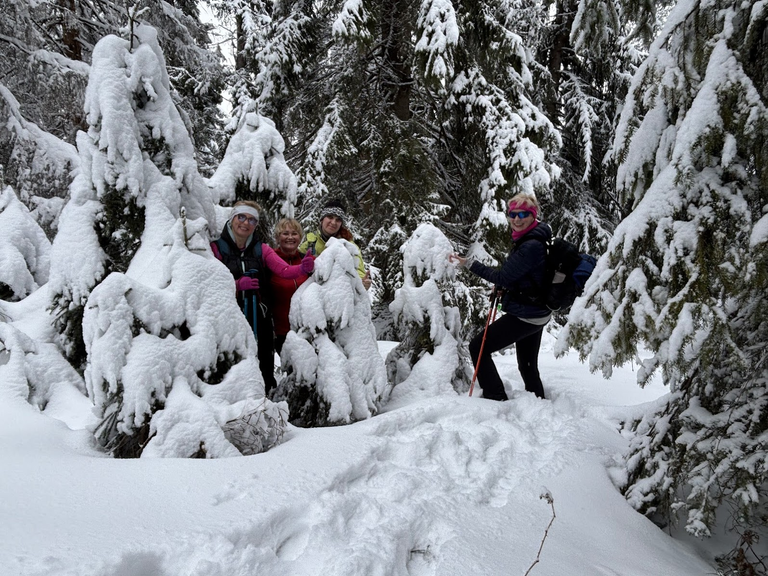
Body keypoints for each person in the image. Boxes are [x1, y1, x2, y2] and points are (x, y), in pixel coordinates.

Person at [449, 194, 551, 400]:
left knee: (478, 347)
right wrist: (511, 290)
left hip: (527, 314)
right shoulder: (536, 237)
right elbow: (530, 277)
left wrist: (468, 263)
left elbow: (502, 277)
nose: (517, 219)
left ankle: (495, 396)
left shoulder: (531, 245)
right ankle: (538, 401)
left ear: (533, 216)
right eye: (513, 214)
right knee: (527, 365)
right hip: (538, 311)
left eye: (523, 214)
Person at [211, 201, 314, 394]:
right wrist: (236, 285)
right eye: (241, 217)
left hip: (259, 315)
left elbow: (284, 270)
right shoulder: (217, 249)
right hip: (228, 315)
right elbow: (208, 282)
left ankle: (265, 398)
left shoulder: (261, 249)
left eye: (251, 219)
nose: (245, 223)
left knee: (264, 361)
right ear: (232, 219)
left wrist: (302, 268)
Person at [299, 198, 372, 290]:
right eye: (330, 217)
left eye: (338, 220)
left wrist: (362, 283)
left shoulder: (349, 246)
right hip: (314, 297)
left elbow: (358, 272)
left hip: (338, 296)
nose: (333, 222)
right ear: (322, 219)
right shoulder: (309, 245)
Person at [270, 218, 311, 354]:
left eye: (294, 233)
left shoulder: (306, 260)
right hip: (279, 332)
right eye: (285, 233)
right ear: (277, 237)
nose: (290, 237)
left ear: (300, 238)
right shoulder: (270, 260)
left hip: (305, 330)